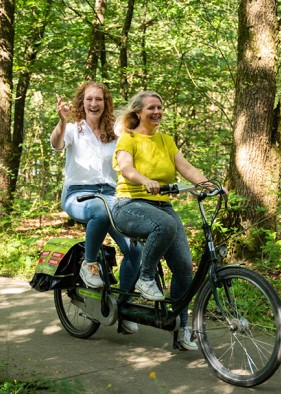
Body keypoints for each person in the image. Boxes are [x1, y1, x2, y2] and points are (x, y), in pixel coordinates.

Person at [111, 91, 215, 351]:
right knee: (165, 225)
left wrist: (206, 183)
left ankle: (181, 329)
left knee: (184, 269)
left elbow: (186, 167)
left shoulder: (166, 140)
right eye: (151, 108)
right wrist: (145, 180)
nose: (157, 112)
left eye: (160, 107)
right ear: (138, 113)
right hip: (129, 205)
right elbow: (126, 168)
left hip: (162, 206)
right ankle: (145, 277)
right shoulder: (128, 139)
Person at [50, 81, 141, 334]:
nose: (94, 104)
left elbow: (131, 156)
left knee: (135, 249)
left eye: (99, 99)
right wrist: (61, 120)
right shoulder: (71, 129)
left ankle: (124, 307)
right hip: (78, 195)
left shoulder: (116, 132)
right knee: (99, 211)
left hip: (112, 196)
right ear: (82, 102)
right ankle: (88, 264)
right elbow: (57, 145)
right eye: (89, 99)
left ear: (105, 103)